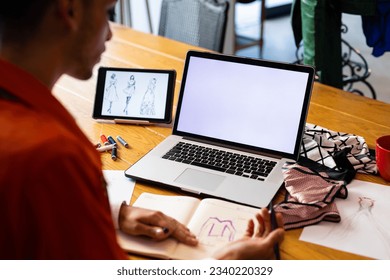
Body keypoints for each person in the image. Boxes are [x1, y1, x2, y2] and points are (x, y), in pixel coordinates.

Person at [0, 0, 284, 259]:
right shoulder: (51, 157)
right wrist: (225, 264)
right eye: (108, 12)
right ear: (70, 10)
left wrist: (114, 214)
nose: (110, 34)